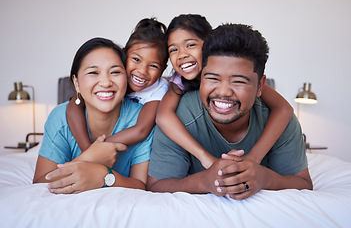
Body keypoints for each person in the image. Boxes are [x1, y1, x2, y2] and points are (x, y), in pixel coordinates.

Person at [147, 23, 313, 200]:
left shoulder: (277, 118)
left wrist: (264, 178)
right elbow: (156, 186)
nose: (223, 91)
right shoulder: (179, 117)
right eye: (212, 78)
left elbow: (303, 183)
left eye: (238, 81)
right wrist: (205, 181)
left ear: (260, 86)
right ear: (201, 77)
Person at [156, 14, 293, 169]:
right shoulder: (178, 82)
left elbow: (284, 109)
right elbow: (163, 117)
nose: (182, 55)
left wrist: (254, 157)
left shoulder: (247, 81)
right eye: (173, 49)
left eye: (190, 45)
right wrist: (204, 156)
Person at [33, 37, 154, 194]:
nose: (105, 82)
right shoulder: (60, 117)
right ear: (76, 83)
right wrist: (90, 158)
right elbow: (40, 184)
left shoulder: (142, 118)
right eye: (93, 72)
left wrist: (104, 176)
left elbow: (141, 186)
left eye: (116, 72)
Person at [66, 18, 169, 152]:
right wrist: (87, 149)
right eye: (136, 59)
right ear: (124, 55)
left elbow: (141, 130)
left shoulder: (159, 89)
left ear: (163, 69)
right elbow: (74, 105)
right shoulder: (113, 81)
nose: (142, 71)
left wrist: (97, 148)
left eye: (153, 66)